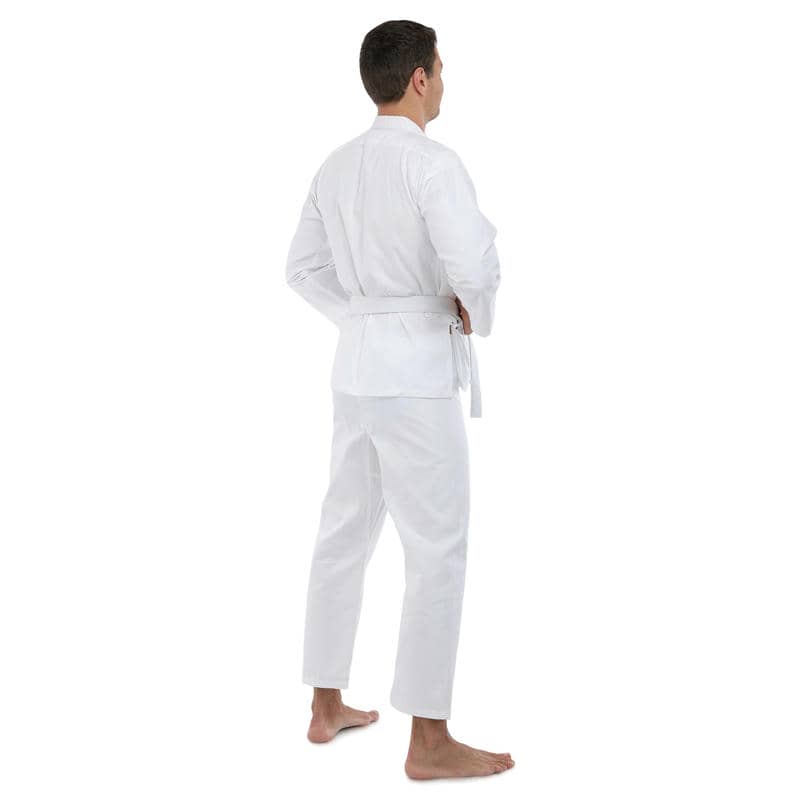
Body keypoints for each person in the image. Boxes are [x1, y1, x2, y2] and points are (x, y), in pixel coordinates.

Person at [285, 20, 512, 779]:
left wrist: (362, 315)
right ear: (419, 77)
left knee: (343, 532)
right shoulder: (432, 164)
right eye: (440, 69)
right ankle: (430, 739)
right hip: (415, 375)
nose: (442, 82)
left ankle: (325, 704)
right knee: (437, 548)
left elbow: (301, 267)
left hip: (356, 371)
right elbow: (472, 262)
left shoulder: (335, 166)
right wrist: (470, 309)